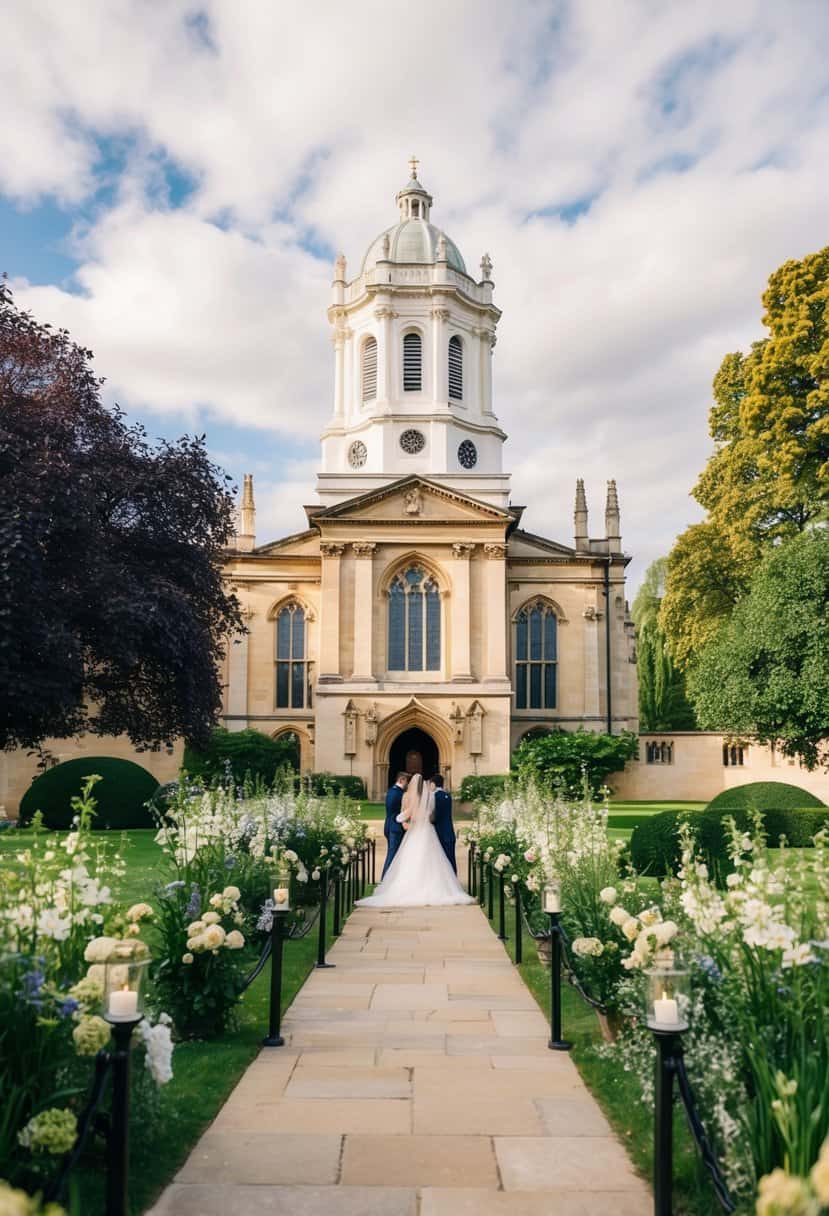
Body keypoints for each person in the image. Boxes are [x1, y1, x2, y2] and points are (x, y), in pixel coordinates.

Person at [358, 773, 474, 908]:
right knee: (433, 860)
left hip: (416, 832)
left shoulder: (414, 799)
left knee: (411, 860)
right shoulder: (431, 797)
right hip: (428, 831)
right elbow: (432, 816)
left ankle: (412, 887)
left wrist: (398, 819)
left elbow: (405, 816)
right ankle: (436, 887)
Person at [382, 772, 409, 877]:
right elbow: (395, 812)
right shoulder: (398, 793)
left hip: (389, 825)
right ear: (401, 780)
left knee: (394, 854)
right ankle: (385, 878)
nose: (407, 784)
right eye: (406, 781)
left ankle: (392, 877)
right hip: (395, 828)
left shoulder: (391, 791)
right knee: (392, 854)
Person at [430, 773, 456, 873]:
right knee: (450, 859)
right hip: (449, 832)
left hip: (440, 832)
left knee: (442, 860)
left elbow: (435, 817)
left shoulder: (434, 796)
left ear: (433, 784)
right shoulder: (447, 796)